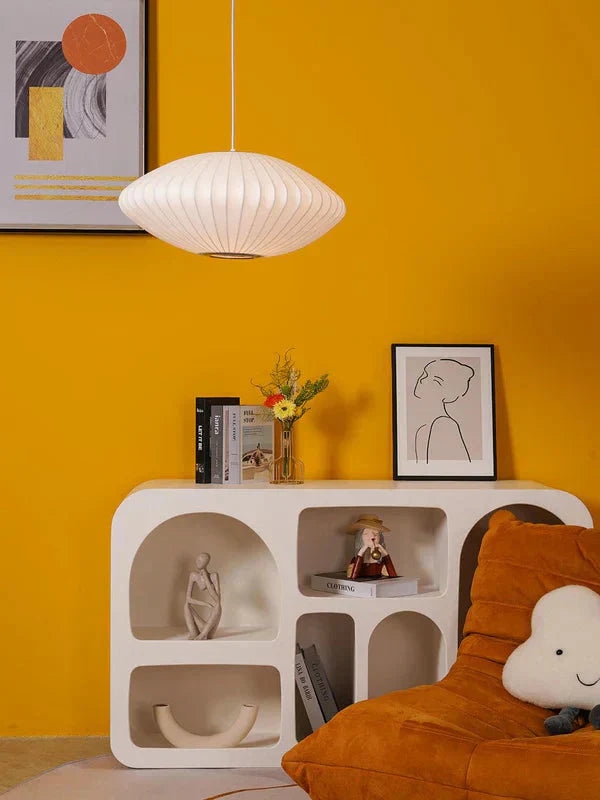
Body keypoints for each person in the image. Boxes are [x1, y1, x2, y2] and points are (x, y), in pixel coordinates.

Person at [412, 358, 474, 464]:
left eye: (436, 381)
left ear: (449, 394)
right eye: (425, 374)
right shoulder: (422, 430)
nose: (423, 380)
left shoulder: (444, 424)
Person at [346, 515, 398, 580]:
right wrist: (361, 551)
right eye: (366, 533)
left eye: (376, 533)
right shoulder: (355, 560)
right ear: (360, 537)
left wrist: (384, 551)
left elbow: (394, 577)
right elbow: (353, 577)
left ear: (380, 538)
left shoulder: (380, 563)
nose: (372, 536)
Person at [184, 553, 222, 640]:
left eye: (200, 560)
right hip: (203, 625)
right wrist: (205, 604)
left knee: (218, 606)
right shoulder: (193, 575)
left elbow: (217, 599)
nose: (197, 561)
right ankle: (193, 633)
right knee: (186, 605)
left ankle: (203, 634)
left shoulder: (213, 576)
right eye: (197, 559)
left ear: (206, 563)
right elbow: (188, 599)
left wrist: (206, 579)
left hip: (210, 628)